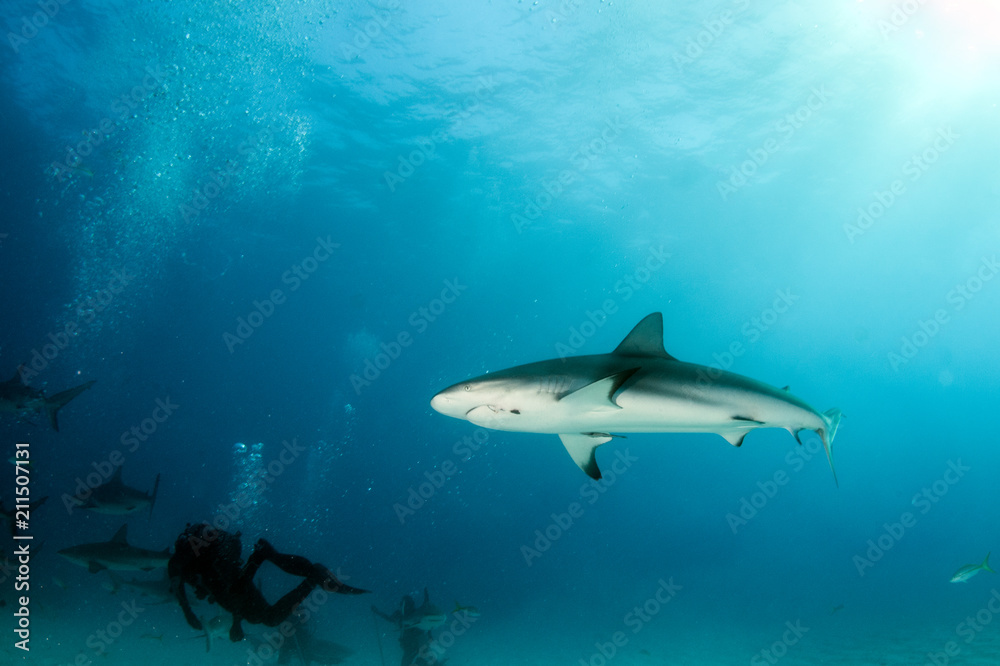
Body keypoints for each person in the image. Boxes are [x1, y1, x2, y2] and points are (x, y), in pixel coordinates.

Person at [168, 523, 367, 641]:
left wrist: (236, 623)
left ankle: (262, 556)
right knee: (266, 617)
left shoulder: (188, 565)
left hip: (227, 569)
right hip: (228, 565)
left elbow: (234, 590)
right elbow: (181, 591)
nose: (196, 594)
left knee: (257, 611)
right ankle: (304, 573)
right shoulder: (188, 566)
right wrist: (188, 612)